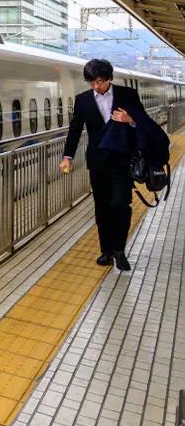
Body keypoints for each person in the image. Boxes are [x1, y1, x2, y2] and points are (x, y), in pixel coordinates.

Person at [60, 58, 144, 271]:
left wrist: (131, 120)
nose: (96, 87)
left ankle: (119, 249)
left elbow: (145, 122)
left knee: (120, 204)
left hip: (123, 160)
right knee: (102, 207)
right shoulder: (84, 100)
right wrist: (67, 156)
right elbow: (75, 129)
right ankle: (106, 251)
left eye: (100, 82)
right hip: (97, 161)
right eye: (91, 83)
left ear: (109, 78)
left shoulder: (127, 95)